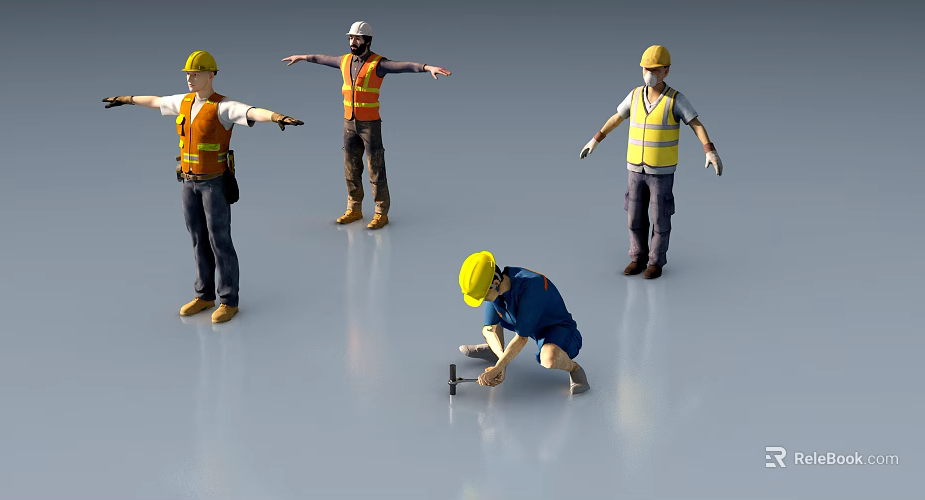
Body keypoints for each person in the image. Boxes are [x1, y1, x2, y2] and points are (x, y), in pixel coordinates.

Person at [102, 50, 303, 323]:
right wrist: (127, 100)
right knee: (198, 239)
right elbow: (156, 100)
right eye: (188, 74)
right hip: (188, 182)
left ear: (211, 75)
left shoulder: (222, 106)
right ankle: (204, 295)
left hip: (214, 184)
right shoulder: (183, 102)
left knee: (220, 240)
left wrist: (278, 117)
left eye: (195, 74)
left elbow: (251, 111)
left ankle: (229, 300)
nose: (190, 78)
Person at [281, 21, 452, 229]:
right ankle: (354, 209)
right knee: (350, 168)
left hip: (370, 125)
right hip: (348, 124)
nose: (353, 42)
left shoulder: (377, 64)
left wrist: (426, 68)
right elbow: (321, 58)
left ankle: (381, 212)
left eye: (357, 38)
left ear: (367, 41)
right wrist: (302, 57)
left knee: (376, 168)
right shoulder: (344, 61)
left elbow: (403, 66)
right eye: (351, 38)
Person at [579, 45, 724, 279]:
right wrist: (596, 139)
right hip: (635, 169)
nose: (650, 73)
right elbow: (617, 117)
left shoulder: (675, 99)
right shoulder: (635, 95)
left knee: (660, 217)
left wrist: (709, 150)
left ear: (666, 71)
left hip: (661, 171)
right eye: (647, 68)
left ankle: (656, 262)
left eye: (656, 69)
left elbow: (695, 123)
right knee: (634, 215)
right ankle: (638, 257)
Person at [457, 251, 589, 394]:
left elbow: (521, 338)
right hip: (526, 323)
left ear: (495, 283)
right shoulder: (498, 288)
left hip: (557, 329)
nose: (482, 300)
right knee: (492, 328)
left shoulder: (532, 287)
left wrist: (499, 367)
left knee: (549, 358)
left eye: (483, 295)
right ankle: (494, 352)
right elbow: (489, 328)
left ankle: (576, 369)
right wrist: (501, 360)